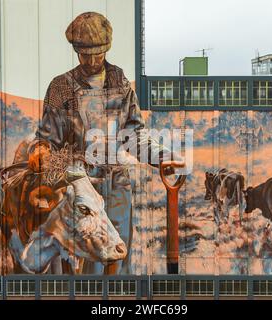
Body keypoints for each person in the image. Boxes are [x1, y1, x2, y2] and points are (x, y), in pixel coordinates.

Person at [22, 12, 181, 275]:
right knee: (91, 264)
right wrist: (40, 150)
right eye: (86, 54)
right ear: (76, 51)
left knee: (118, 257)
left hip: (117, 184)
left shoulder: (121, 84)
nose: (93, 60)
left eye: (99, 53)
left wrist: (161, 155)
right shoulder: (60, 88)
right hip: (81, 187)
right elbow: (47, 138)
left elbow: (134, 136)